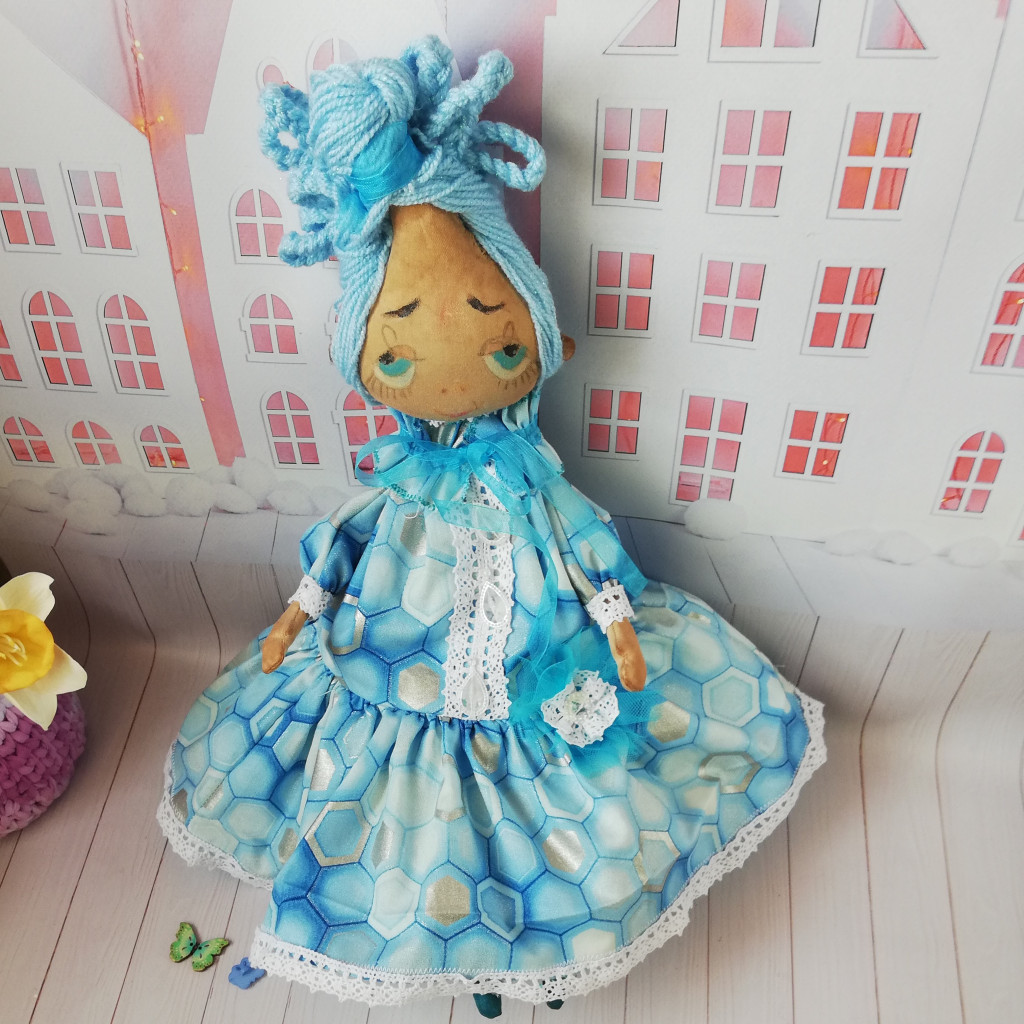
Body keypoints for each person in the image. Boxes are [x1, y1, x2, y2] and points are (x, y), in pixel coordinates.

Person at [158, 36, 825, 1015]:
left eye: (496, 331)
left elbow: (581, 544)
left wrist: (617, 621)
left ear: (536, 331)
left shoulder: (531, 479)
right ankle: (438, 935)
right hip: (393, 657)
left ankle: (519, 942)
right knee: (392, 798)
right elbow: (344, 548)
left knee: (573, 781)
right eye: (397, 351)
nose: (448, 364)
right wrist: (303, 610)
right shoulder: (395, 487)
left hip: (534, 660)